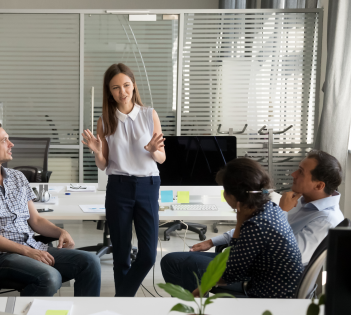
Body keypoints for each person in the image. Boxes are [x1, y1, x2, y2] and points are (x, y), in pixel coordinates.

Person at [161, 150, 344, 292]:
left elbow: (289, 254)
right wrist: (213, 240)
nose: (293, 174)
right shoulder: (298, 199)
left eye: (301, 172)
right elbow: (258, 227)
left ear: (319, 185)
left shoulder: (327, 220)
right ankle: (196, 312)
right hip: (250, 257)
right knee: (171, 259)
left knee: (184, 265)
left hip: (265, 276)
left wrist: (281, 211)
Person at [0, 120, 101, 297]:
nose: (11, 144)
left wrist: (59, 232)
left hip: (32, 246)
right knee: (50, 277)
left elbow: (36, 220)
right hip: (1, 256)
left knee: (90, 261)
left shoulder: (18, 178)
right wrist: (27, 252)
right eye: (4, 140)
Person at [80, 63, 166, 297]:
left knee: (148, 254)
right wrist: (97, 152)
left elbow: (161, 158)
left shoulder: (150, 115)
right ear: (109, 91)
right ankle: (123, 303)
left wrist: (151, 149)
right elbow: (104, 164)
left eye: (126, 85)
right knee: (121, 252)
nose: (123, 92)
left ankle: (121, 297)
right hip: (118, 187)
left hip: (148, 186)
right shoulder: (105, 120)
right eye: (116, 87)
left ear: (133, 85)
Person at [194, 158, 303, 298]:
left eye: (225, 190)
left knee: (177, 262)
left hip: (273, 299)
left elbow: (230, 274)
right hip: (287, 290)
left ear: (234, 198)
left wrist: (202, 288)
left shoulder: (255, 226)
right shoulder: (271, 208)